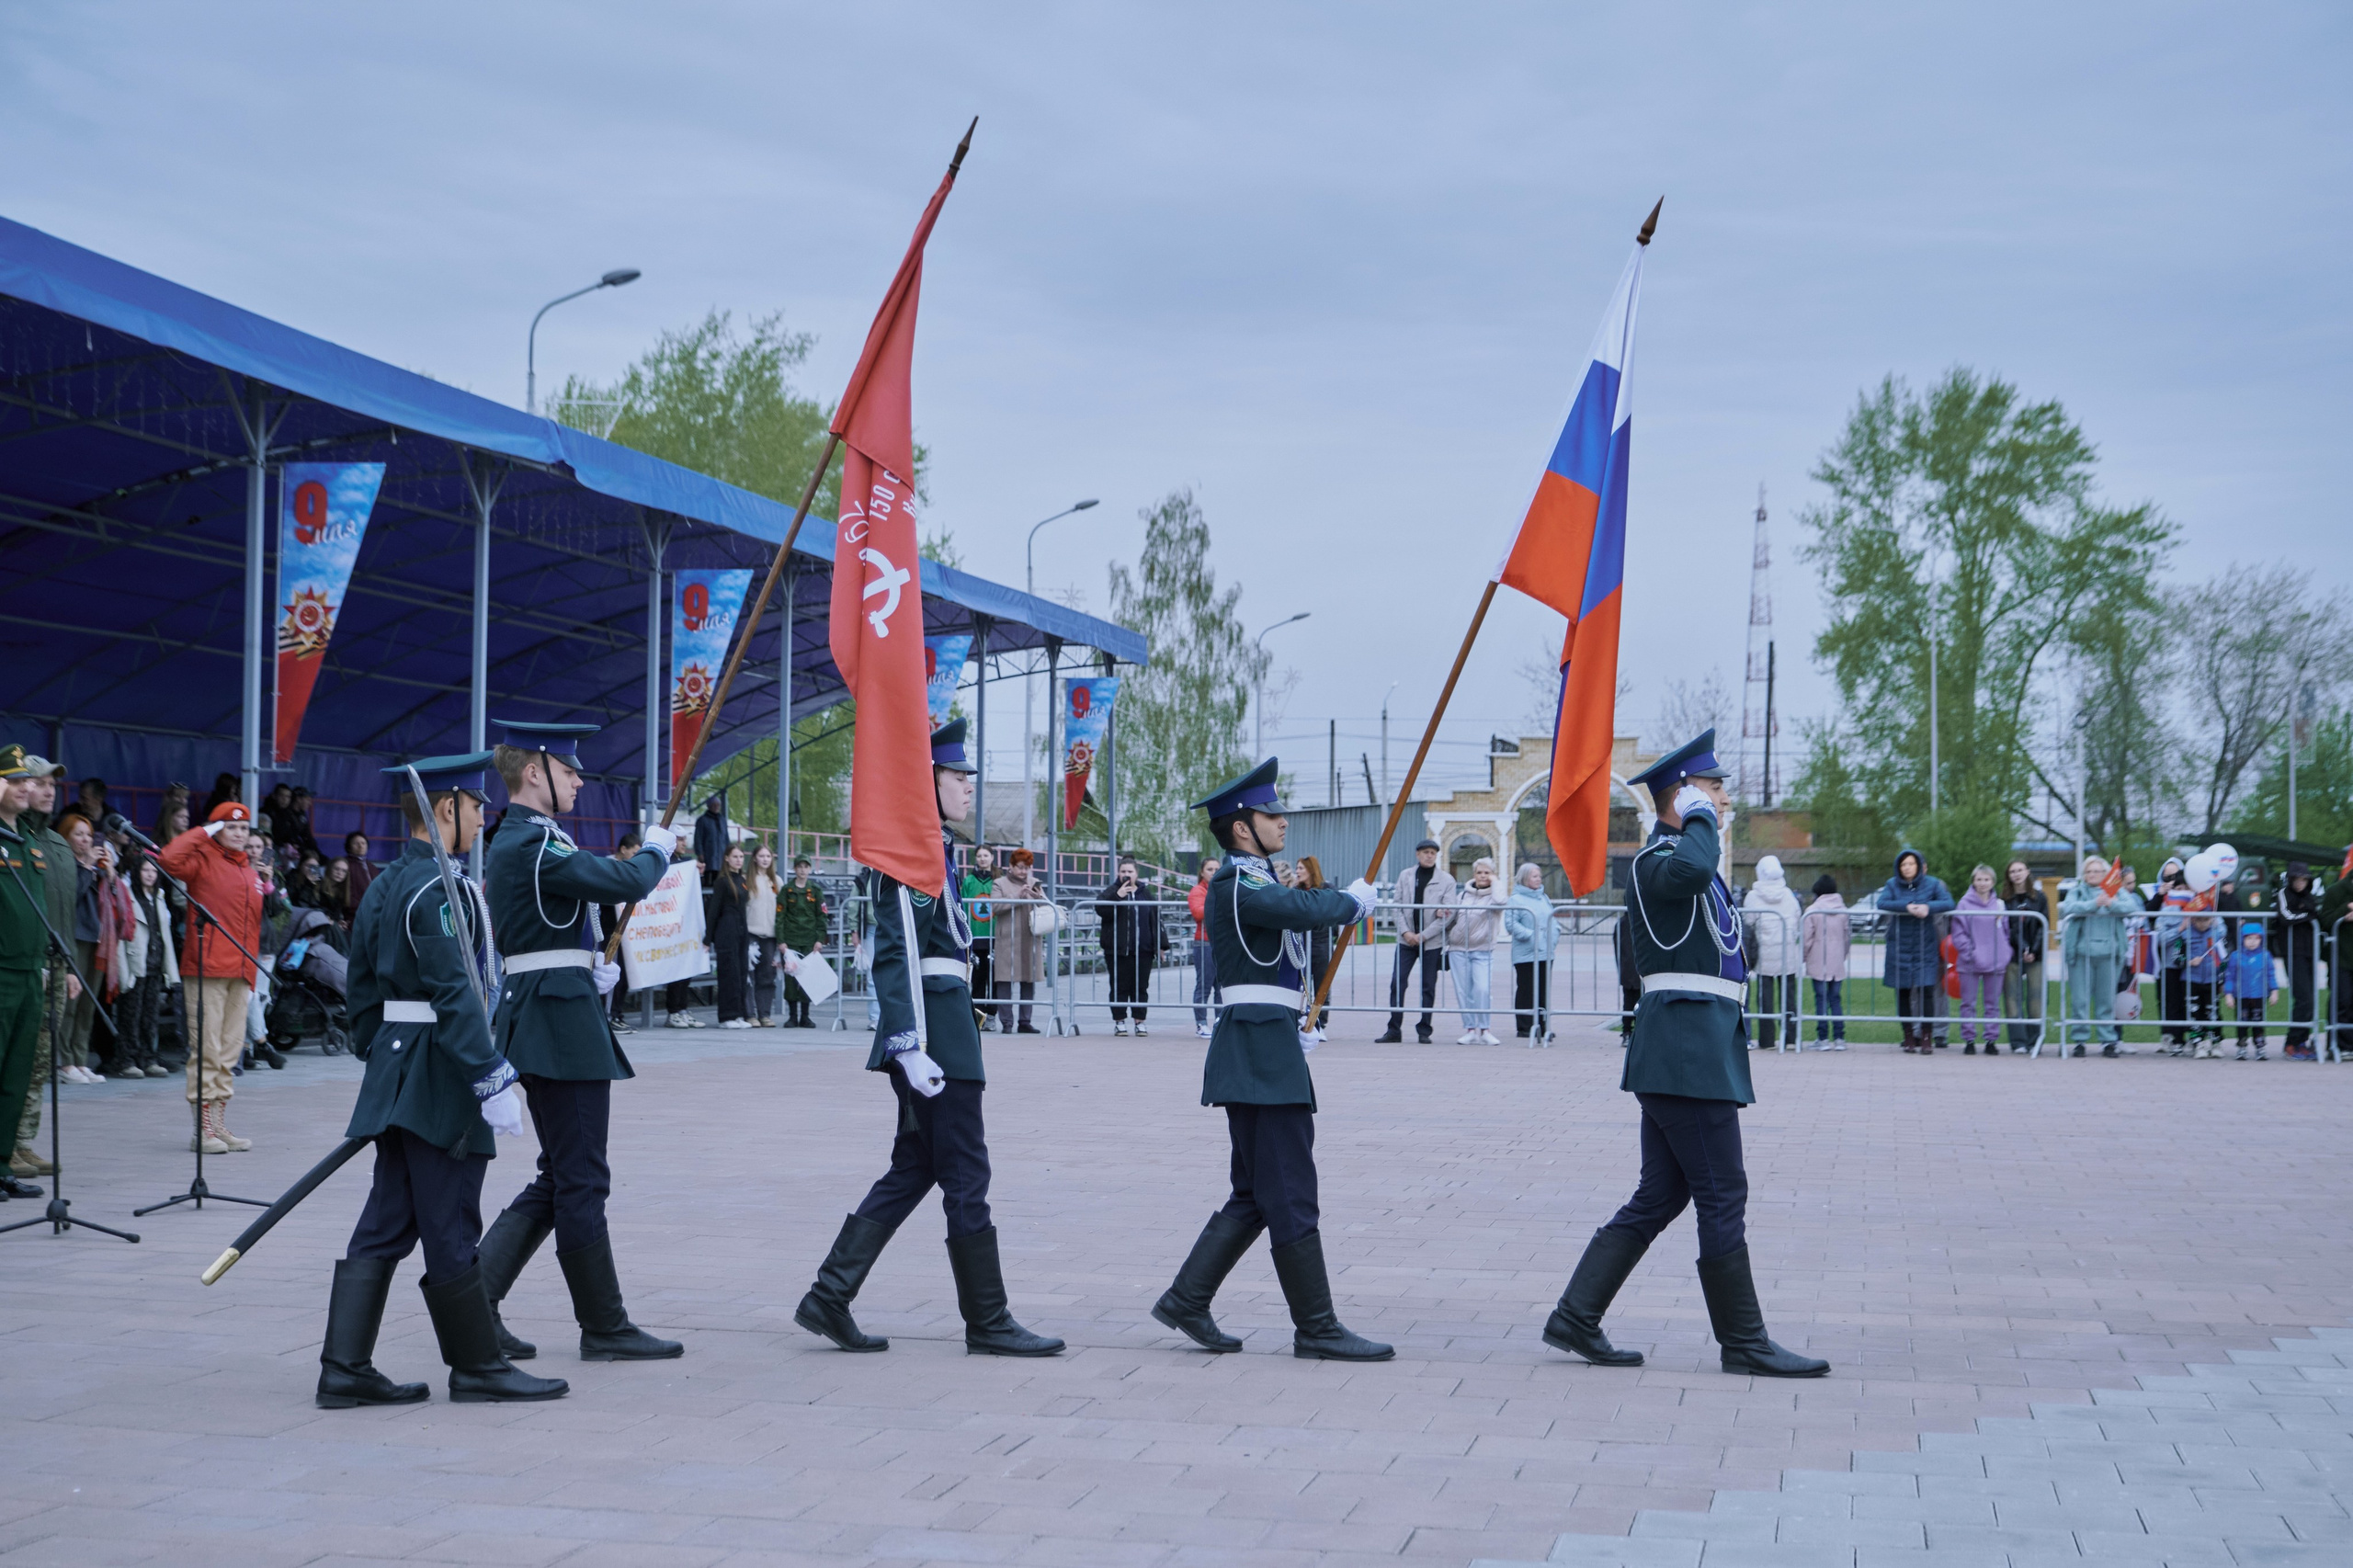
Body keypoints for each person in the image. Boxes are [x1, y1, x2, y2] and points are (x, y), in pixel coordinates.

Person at [1541, 729, 1827, 1379]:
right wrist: (1698, 816)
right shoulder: (1659, 861)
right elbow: (1696, 871)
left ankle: (1576, 1315)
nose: (1725, 802)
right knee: (1723, 1189)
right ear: (1688, 794)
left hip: (1693, 1044)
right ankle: (1744, 1341)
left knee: (1661, 1194)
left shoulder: (1681, 859)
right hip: (1683, 1048)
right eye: (1716, 790)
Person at [793, 720, 1063, 1358]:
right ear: (926, 782)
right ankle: (988, 1320)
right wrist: (910, 1041)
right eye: (956, 776)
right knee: (967, 1166)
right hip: (933, 1029)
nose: (968, 785)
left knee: (916, 1165)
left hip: (937, 1023)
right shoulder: (909, 852)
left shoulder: (930, 849)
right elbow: (897, 947)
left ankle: (830, 1295)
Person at [319, 749, 564, 1408]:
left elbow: (361, 988)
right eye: (478, 807)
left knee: (389, 1218)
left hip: (400, 1067)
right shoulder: (440, 889)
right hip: (438, 1072)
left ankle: (345, 1365)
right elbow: (455, 989)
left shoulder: (390, 883)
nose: (486, 818)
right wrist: (486, 1073)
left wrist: (383, 1055)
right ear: (446, 809)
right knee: (450, 1218)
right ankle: (478, 1364)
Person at [1149, 757, 1389, 1360]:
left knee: (1256, 1192)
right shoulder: (1240, 882)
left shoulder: (1255, 879)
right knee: (1290, 1191)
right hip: (1259, 1053)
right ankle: (1317, 1327)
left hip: (1265, 1040)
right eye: (1270, 814)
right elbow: (1296, 912)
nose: (1283, 821)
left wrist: (1292, 1020)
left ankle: (1187, 1298)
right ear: (1240, 829)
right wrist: (1349, 901)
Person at [472, 721, 684, 1366]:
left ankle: (473, 1299)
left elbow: (549, 925)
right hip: (556, 1025)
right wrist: (655, 851)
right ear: (533, 772)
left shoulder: (529, 840)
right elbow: (623, 883)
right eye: (567, 770)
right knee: (581, 1176)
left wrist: (584, 961)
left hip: (552, 1007)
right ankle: (604, 1325)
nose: (579, 779)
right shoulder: (532, 842)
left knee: (563, 1173)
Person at [158, 799, 265, 1153]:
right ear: (218, 830)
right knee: (207, 1050)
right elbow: (168, 859)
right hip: (207, 968)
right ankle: (201, 1130)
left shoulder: (248, 869)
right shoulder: (201, 859)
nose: (238, 833)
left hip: (240, 969)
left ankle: (218, 1124)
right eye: (230, 827)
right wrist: (204, 831)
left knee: (230, 1052)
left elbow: (252, 925)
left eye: (243, 828)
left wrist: (250, 973)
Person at [0, 746, 60, 1199]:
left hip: (29, 972)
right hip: (0, 972)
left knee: (17, 1073)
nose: (25, 787)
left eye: (27, 780)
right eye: (13, 779)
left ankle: (2, 1165)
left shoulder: (29, 841)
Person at [11, 756, 75, 1175]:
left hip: (55, 963)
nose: (49, 789)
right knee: (12, 1056)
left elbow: (65, 912)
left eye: (53, 783)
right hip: (18, 963)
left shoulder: (56, 844)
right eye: (38, 781)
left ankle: (21, 1140)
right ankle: (6, 1143)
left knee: (39, 1060)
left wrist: (69, 966)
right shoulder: (10, 838)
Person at [1375, 839, 1455, 1043]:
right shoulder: (1406, 876)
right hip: (1406, 942)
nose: (1429, 856)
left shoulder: (1446, 880)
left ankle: (1424, 1029)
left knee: (1428, 985)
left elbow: (1448, 913)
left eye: (1433, 853)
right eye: (1426, 852)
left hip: (1431, 942)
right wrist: (1406, 933)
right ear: (1417, 854)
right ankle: (1394, 1029)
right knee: (1398, 982)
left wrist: (1424, 935)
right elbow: (1398, 906)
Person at [1874, 849, 1953, 1053]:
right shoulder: (1892, 884)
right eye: (1903, 865)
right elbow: (1882, 903)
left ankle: (1927, 1037)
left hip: (1924, 946)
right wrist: (1907, 907)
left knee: (1927, 990)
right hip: (1899, 946)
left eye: (1910, 864)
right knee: (1903, 992)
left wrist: (1928, 907)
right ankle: (1908, 1036)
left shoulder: (1933, 884)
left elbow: (1948, 902)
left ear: (1919, 866)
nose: (1907, 868)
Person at [2060, 858, 2131, 1057]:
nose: (2093, 875)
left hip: (2109, 954)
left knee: (2106, 1000)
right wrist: (2093, 904)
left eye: (2097, 871)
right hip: (2081, 954)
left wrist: (2111, 903)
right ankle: (2080, 1041)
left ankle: (2108, 1041)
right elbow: (2069, 907)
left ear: (2105, 874)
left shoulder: (2115, 890)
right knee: (2080, 1000)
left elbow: (2131, 907)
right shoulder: (2078, 891)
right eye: (2089, 871)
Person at [116, 852, 176, 1079]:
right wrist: (124, 971)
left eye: (154, 871)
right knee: (130, 1014)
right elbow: (120, 936)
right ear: (136, 872)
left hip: (155, 963)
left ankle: (149, 1058)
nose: (150, 875)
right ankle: (127, 1059)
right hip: (135, 963)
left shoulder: (159, 897)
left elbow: (164, 934)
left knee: (150, 1015)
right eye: (145, 870)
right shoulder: (128, 895)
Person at [1948, 865, 2013, 1055]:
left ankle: (1991, 1039)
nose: (1982, 883)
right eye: (1979, 879)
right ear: (1973, 881)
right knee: (1968, 1003)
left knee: (1992, 1003)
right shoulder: (1964, 904)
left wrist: (2005, 952)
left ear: (1992, 882)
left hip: (1996, 961)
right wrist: (1971, 953)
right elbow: (1958, 934)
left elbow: (2006, 931)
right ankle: (1969, 1039)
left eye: (1986, 879)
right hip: (1970, 962)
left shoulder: (1999, 904)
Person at [1741, 855, 1802, 1051]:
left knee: (1764, 997)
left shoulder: (1753, 896)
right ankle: (1791, 1037)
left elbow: (1748, 922)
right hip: (1788, 954)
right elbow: (1797, 916)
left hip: (1765, 954)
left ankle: (1767, 1040)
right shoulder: (1788, 895)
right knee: (1789, 996)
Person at [1097, 856, 1162, 1036]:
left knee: (1140, 987)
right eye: (1123, 871)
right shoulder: (1112, 891)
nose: (1127, 875)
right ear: (1118, 873)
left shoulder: (1145, 893)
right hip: (1118, 951)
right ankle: (1120, 1021)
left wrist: (1161, 944)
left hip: (1143, 950)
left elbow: (1155, 918)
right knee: (1119, 986)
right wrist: (1117, 897)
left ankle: (1140, 1021)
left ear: (1136, 873)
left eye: (1130, 872)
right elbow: (1101, 909)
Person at [1447, 858, 1505, 1045]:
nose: (1483, 876)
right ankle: (1470, 1029)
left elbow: (1501, 900)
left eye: (1487, 873)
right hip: (1458, 949)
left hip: (1482, 950)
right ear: (1474, 874)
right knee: (1464, 992)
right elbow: (1453, 917)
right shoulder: (1463, 895)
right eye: (1479, 872)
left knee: (1482, 989)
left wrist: (1496, 882)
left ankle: (1485, 1029)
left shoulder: (1494, 895)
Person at [993, 849, 1046, 1034]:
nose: (1024, 872)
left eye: (1027, 868)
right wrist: (1017, 897)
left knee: (1028, 980)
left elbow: (1047, 906)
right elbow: (996, 906)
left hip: (1029, 939)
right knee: (1004, 981)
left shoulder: (1034, 883)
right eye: (1020, 868)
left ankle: (1025, 1021)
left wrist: (1038, 897)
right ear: (1011, 867)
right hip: (1008, 939)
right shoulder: (999, 883)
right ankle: (1007, 1022)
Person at [1505, 863, 1558, 1045]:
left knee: (1544, 989)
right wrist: (1531, 936)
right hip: (1527, 953)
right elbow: (1511, 924)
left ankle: (1543, 1025)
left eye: (1539, 876)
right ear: (1524, 878)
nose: (1538, 879)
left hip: (1546, 952)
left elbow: (1552, 919)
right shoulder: (1516, 899)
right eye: (1534, 876)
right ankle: (1525, 1026)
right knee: (1527, 988)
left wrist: (1554, 936)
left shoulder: (1543, 897)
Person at [2270, 863, 2319, 1057]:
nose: (2300, 883)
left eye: (2304, 879)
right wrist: (2307, 914)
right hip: (2293, 951)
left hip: (2309, 952)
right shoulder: (2283, 893)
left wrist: (2306, 911)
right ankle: (2292, 1043)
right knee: (2304, 998)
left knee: (2311, 1000)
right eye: (2297, 879)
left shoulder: (2309, 896)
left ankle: (2302, 1041)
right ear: (2290, 879)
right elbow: (2286, 916)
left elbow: (2315, 911)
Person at [2000, 861, 2050, 1052]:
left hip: (2035, 956)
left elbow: (2043, 925)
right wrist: (2022, 949)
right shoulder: (2004, 900)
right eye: (2012, 871)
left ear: (2028, 872)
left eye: (2020, 870)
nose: (2017, 874)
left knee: (2036, 998)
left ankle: (2034, 1041)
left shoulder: (2040, 897)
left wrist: (2033, 950)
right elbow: (2009, 927)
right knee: (2012, 998)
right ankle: (2018, 1042)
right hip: (2012, 954)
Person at [777, 854, 830, 1028]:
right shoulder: (787, 890)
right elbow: (780, 916)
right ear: (795, 869)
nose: (802, 870)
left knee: (807, 978)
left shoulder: (815, 890)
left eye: (805, 867)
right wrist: (781, 941)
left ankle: (805, 1016)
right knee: (791, 979)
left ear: (809, 869)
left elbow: (822, 916)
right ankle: (792, 1016)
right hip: (791, 941)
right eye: (799, 866)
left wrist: (819, 939)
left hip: (808, 940)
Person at [1800, 874, 1849, 1050]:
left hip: (1818, 959)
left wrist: (1803, 957)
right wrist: (1843, 955)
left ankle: (1823, 1039)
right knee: (1835, 999)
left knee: (1821, 999)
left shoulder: (1813, 910)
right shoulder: (1843, 909)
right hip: (1837, 960)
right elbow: (1847, 937)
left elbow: (1807, 939)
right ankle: (1839, 1038)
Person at [601, 830, 642, 1034]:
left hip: (629, 933)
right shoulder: (609, 868)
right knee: (611, 975)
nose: (636, 858)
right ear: (623, 850)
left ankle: (616, 1014)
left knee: (624, 976)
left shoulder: (631, 870)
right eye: (634, 853)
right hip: (610, 932)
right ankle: (608, 1016)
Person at [709, 842, 753, 1028]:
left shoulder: (741, 880)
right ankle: (726, 1016)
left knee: (741, 972)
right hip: (726, 929)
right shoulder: (722, 882)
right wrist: (708, 937)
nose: (738, 860)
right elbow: (713, 910)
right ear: (727, 858)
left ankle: (739, 1014)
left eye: (741, 857)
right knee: (729, 972)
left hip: (741, 930)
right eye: (735, 856)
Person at [2223, 924, 2275, 1061]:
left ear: (2261, 939)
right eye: (2249, 938)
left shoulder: (2265, 955)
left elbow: (2271, 974)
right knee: (2242, 1023)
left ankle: (2260, 1048)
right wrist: (2228, 994)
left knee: (2259, 1023)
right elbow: (2230, 976)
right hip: (2242, 996)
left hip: (2259, 995)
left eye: (2256, 938)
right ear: (2242, 939)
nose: (2252, 942)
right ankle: (2242, 1047)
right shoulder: (2236, 956)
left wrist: (2274, 991)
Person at [961, 846, 998, 1030]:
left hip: (995, 935)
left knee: (995, 979)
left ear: (992, 857)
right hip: (975, 936)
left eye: (986, 855)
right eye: (979, 856)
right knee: (978, 979)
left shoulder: (998, 881)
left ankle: (992, 1016)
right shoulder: (968, 881)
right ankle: (978, 1017)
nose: (982, 859)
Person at [745, 843, 782, 1028]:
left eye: (768, 856)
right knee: (749, 976)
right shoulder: (747, 880)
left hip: (770, 935)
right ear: (754, 858)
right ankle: (750, 1014)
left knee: (767, 976)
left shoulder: (777, 881)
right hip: (751, 934)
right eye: (762, 856)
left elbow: (782, 912)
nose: (765, 859)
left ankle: (764, 1014)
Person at [1188, 857, 1222, 1040]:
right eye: (1210, 869)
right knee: (1204, 986)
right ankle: (1201, 1023)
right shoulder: (1198, 890)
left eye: (1217, 869)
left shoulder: (1221, 889)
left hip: (1221, 943)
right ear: (1202, 872)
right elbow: (1198, 912)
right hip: (1204, 943)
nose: (1214, 873)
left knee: (1221, 987)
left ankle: (1219, 1022)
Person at [691, 795, 728, 887]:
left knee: (721, 879)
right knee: (707, 880)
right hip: (708, 855)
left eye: (718, 805)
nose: (716, 807)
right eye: (714, 804)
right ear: (709, 806)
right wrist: (699, 853)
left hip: (721, 855)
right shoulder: (702, 820)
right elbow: (698, 838)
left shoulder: (722, 820)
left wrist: (729, 852)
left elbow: (726, 837)